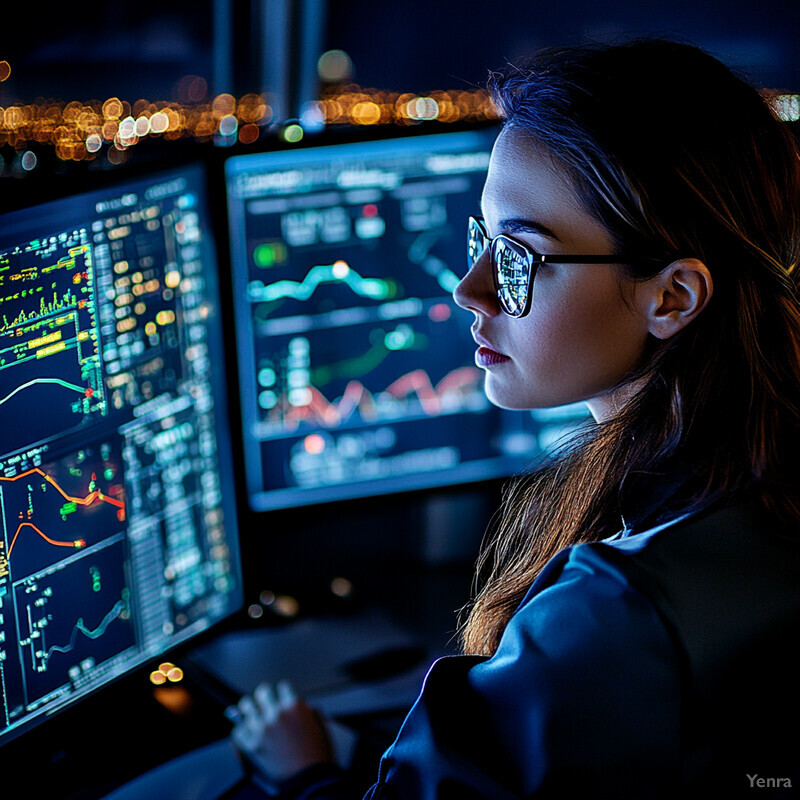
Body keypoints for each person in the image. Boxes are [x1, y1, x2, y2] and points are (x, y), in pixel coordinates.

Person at [231, 38, 800, 798]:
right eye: (483, 241)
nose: (471, 288)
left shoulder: (615, 617)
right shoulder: (765, 483)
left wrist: (305, 776)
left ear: (673, 298)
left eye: (519, 256)